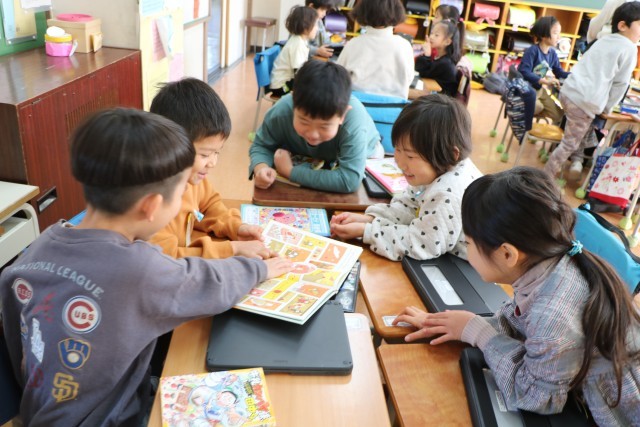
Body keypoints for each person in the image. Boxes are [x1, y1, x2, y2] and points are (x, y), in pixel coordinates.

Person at [0, 108, 293, 426]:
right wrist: (258, 269)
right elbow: (207, 283)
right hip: (108, 417)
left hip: (38, 411)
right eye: (180, 195)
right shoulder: (138, 268)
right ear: (152, 206)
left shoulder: (37, 248)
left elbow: (17, 342)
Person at [393, 167, 640, 426]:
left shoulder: (554, 314)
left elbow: (534, 396)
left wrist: (479, 332)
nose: (467, 249)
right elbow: (519, 323)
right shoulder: (549, 265)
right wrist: (459, 325)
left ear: (507, 254)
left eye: (469, 243)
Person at [330, 94, 482, 261]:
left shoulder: (448, 192)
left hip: (466, 268)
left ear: (450, 154)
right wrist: (370, 219)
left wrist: (367, 231)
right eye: (397, 149)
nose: (400, 163)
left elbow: (421, 243)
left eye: (410, 156)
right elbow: (409, 205)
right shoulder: (435, 170)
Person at [149, 78, 269, 260]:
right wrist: (231, 249)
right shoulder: (154, 202)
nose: (212, 162)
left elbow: (210, 204)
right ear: (169, 147)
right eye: (205, 154)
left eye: (217, 152)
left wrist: (236, 227)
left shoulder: (193, 179)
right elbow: (167, 259)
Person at [250, 60, 382, 194]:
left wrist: (290, 172)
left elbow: (349, 180)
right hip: (309, 159)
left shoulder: (354, 120)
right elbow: (261, 145)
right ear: (293, 103)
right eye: (304, 122)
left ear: (342, 115)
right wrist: (261, 167)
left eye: (324, 126)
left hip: (363, 159)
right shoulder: (282, 110)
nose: (312, 134)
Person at [544, 2, 640, 181]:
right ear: (622, 25)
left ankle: (577, 161)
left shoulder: (603, 39)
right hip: (584, 102)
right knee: (569, 144)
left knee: (581, 131)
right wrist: (607, 108)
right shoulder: (629, 48)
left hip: (569, 91)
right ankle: (545, 178)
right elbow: (620, 84)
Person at [336, 0, 414, 99]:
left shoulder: (353, 44)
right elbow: (409, 78)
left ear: (362, 12)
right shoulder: (404, 46)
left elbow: (338, 76)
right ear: (397, 12)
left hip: (358, 105)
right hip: (394, 106)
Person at [518, 16, 570, 125]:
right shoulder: (532, 51)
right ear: (543, 35)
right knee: (538, 107)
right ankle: (525, 122)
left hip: (539, 90)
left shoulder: (552, 54)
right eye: (555, 33)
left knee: (559, 115)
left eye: (559, 33)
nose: (559, 37)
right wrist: (545, 81)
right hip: (526, 90)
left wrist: (575, 75)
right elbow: (524, 71)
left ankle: (531, 116)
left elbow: (559, 72)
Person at [269, 6, 318, 98]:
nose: (317, 29)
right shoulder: (297, 44)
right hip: (282, 86)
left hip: (286, 82)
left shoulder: (300, 40)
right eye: (315, 25)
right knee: (313, 90)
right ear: (305, 26)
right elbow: (299, 72)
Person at [415, 18, 464, 97]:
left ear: (447, 42)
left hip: (440, 100)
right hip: (436, 95)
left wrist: (426, 56)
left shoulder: (445, 63)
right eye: (431, 33)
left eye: (436, 35)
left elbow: (422, 73)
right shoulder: (442, 58)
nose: (431, 37)